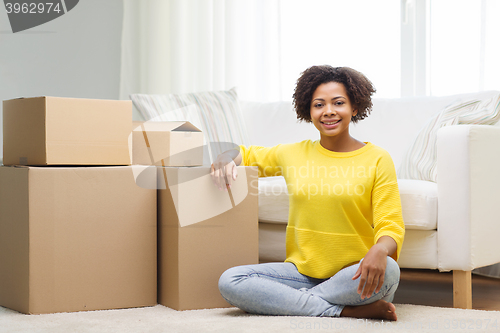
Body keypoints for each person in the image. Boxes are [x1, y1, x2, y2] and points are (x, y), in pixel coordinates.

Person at [210, 65, 405, 321]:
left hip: (354, 275)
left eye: (338, 103)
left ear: (354, 108)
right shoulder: (292, 153)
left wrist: (380, 250)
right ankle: (343, 310)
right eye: (319, 105)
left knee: (389, 270)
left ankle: (290, 301)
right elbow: (245, 154)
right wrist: (224, 157)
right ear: (309, 111)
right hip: (300, 273)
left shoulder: (378, 158)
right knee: (231, 281)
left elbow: (390, 224)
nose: (329, 112)